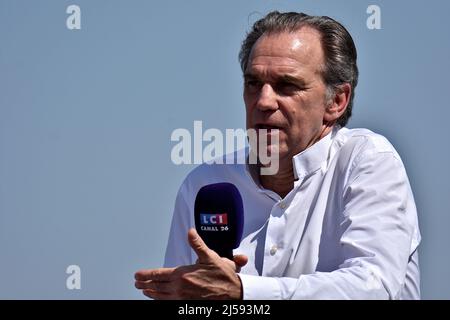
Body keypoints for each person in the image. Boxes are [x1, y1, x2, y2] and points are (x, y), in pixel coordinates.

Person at [134, 11, 421, 300]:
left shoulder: (367, 161)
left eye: (286, 86)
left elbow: (373, 289)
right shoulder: (205, 183)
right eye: (253, 83)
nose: (263, 101)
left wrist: (244, 292)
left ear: (336, 101)